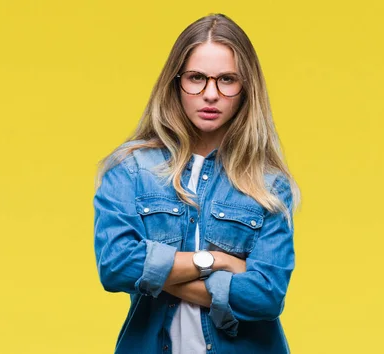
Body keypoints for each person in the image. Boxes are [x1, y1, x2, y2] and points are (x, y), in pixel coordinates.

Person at [93, 13, 300, 354]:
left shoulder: (269, 184)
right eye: (197, 78)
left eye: (227, 80)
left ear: (245, 87)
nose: (210, 94)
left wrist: (156, 275)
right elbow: (116, 266)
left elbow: (266, 295)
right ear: (176, 82)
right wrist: (215, 261)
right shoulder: (130, 169)